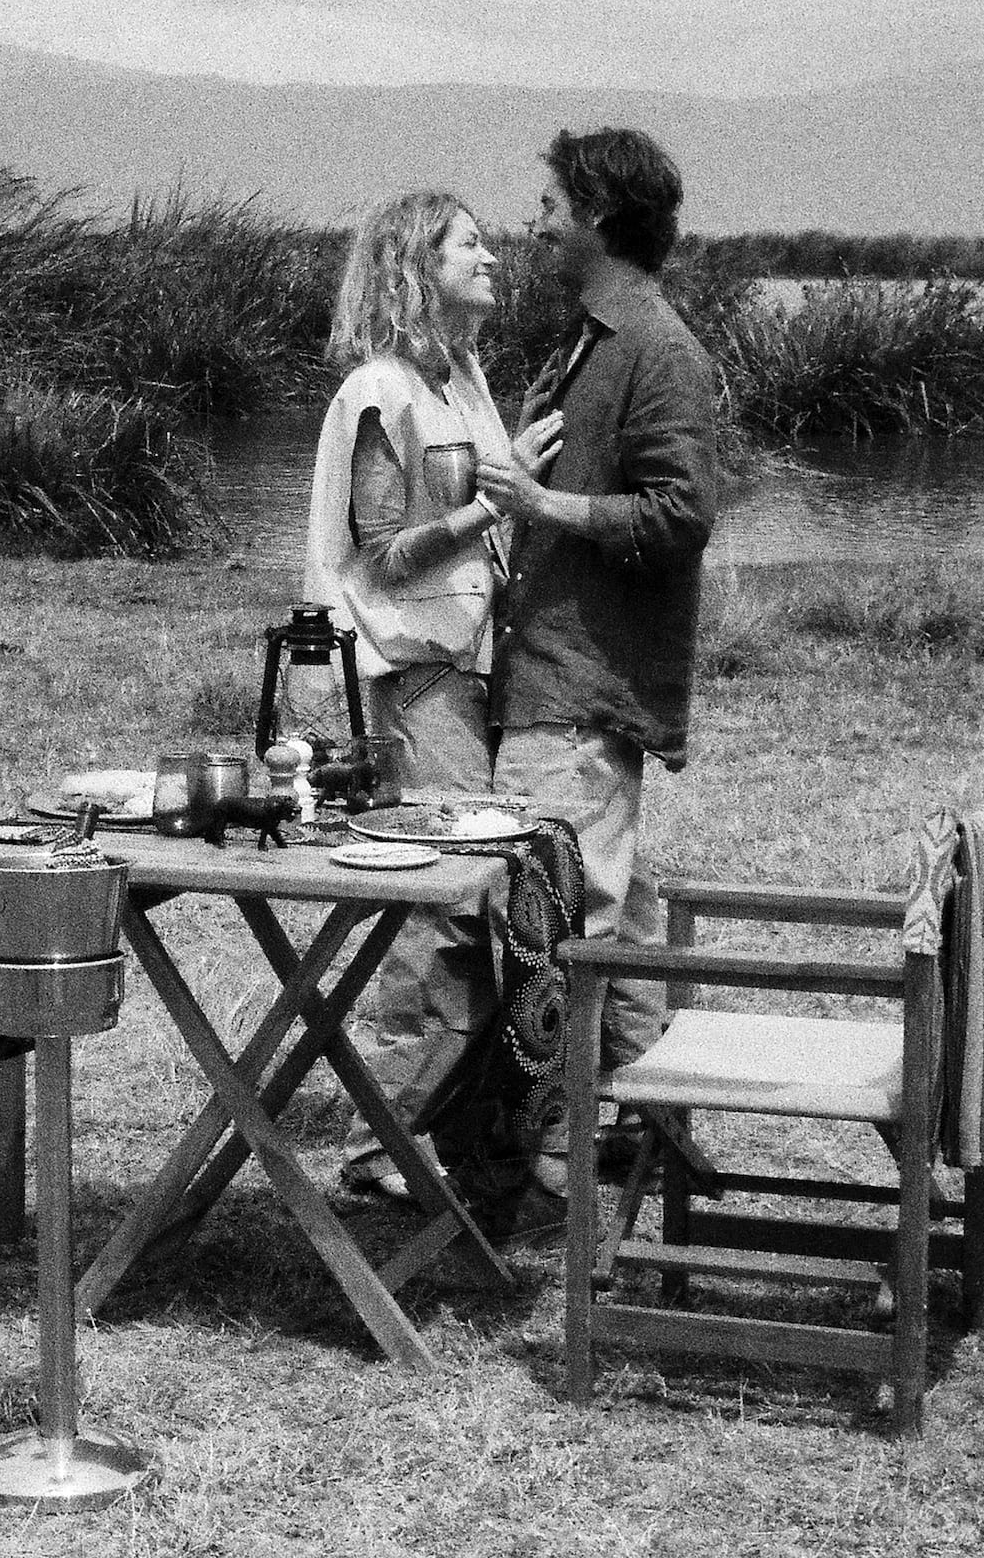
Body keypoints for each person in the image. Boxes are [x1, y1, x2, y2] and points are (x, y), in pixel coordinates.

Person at [476, 127, 718, 1219]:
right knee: (603, 918)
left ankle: (556, 1175)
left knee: (556, 933)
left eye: (548, 200)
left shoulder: (656, 348)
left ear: (597, 215)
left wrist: (544, 507)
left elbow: (680, 514)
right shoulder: (590, 339)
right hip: (551, 679)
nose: (531, 218)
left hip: (579, 692)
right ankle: (644, 1139)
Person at [303, 191, 562, 1200]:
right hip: (414, 674)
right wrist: (488, 505)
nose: (491, 256)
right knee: (436, 904)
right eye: (469, 244)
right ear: (417, 264)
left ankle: (461, 1130)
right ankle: (384, 1140)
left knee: (482, 897)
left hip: (473, 659)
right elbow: (380, 549)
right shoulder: (378, 390)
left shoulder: (461, 375)